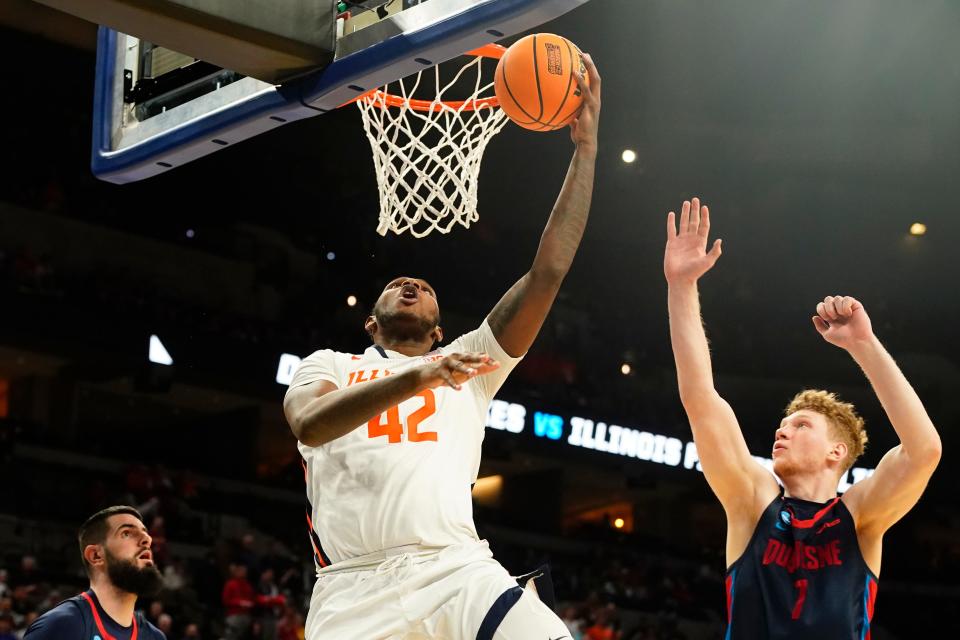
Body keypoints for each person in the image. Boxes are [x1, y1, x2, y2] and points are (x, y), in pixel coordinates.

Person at [283, 55, 601, 640]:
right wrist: (420, 378)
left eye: (425, 289)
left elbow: (548, 272)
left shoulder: (472, 363)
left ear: (438, 332)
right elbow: (308, 425)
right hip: (353, 589)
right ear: (371, 327)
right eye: (398, 285)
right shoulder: (330, 365)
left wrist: (585, 148)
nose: (412, 285)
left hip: (457, 569)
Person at [663, 198, 942, 638]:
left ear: (838, 451)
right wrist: (681, 286)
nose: (783, 429)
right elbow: (700, 397)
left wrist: (864, 346)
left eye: (801, 425)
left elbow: (924, 450)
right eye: (785, 424)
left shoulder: (860, 517)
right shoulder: (752, 502)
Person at [24, 505, 166, 639]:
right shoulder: (62, 626)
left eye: (145, 533)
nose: (147, 539)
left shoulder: (155, 637)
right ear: (96, 556)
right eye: (127, 533)